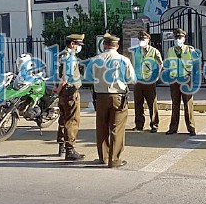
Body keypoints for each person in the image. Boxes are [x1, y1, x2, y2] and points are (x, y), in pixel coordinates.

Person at [92, 33, 136, 168]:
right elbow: (132, 79)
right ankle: (114, 159)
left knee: (102, 127)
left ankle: (103, 157)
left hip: (100, 96)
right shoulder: (123, 60)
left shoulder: (96, 60)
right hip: (118, 96)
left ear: (104, 45)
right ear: (117, 46)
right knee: (117, 128)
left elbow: (92, 77)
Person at [55, 33, 86, 161]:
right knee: (72, 120)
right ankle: (70, 150)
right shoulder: (70, 58)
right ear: (72, 44)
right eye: (78, 44)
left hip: (64, 92)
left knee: (63, 118)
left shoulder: (62, 55)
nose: (79, 47)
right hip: (70, 91)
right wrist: (59, 89)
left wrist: (58, 89)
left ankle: (62, 146)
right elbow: (65, 78)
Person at [165, 28, 199, 136]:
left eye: (180, 38)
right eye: (176, 38)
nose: (178, 39)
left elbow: (196, 64)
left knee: (188, 104)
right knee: (175, 104)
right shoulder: (170, 50)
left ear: (184, 39)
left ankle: (191, 127)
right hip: (174, 79)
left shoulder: (190, 50)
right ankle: (173, 128)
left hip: (186, 79)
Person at [129, 30, 163, 133]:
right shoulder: (134, 51)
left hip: (149, 81)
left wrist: (156, 76)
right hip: (138, 81)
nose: (142, 41)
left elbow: (160, 64)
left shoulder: (154, 51)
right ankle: (139, 125)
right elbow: (130, 64)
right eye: (140, 40)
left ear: (148, 40)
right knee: (138, 103)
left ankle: (154, 125)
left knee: (152, 103)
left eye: (144, 39)